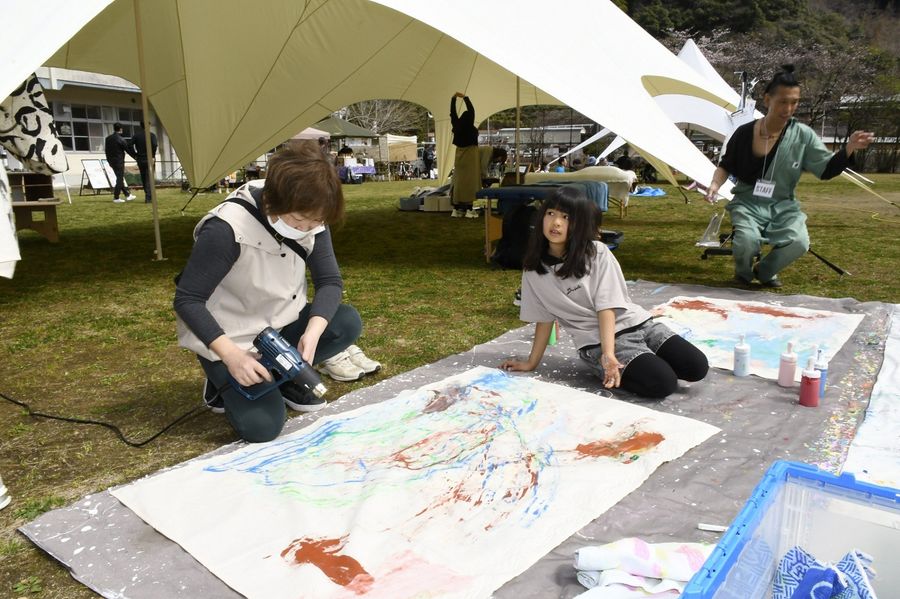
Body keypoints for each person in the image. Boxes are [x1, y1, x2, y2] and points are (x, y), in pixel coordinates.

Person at [174, 140, 373, 443]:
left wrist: (312, 333)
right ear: (272, 202)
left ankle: (282, 375)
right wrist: (231, 356)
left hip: (280, 322)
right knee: (262, 427)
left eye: (317, 222)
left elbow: (330, 281)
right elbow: (188, 300)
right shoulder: (226, 228)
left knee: (344, 323)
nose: (308, 229)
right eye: (298, 221)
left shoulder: (312, 214)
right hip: (231, 336)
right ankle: (220, 382)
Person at [500, 187, 709, 399]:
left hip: (636, 323)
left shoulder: (596, 251)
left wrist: (610, 355)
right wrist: (531, 362)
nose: (556, 223)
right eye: (550, 213)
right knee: (663, 384)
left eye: (566, 217)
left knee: (697, 367)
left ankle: (644, 360)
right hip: (596, 342)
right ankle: (640, 363)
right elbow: (543, 319)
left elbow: (606, 306)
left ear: (578, 224)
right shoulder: (533, 270)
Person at [705, 65, 875, 288]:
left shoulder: (802, 135)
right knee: (746, 242)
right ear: (767, 100)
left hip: (783, 204)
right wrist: (715, 184)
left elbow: (826, 169)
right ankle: (743, 275)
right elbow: (725, 165)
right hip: (747, 202)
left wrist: (850, 147)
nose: (789, 108)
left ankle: (765, 271)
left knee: (799, 242)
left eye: (794, 102)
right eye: (783, 101)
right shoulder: (744, 132)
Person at [449, 92, 481, 218]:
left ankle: (456, 209)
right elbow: (471, 110)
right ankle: (469, 209)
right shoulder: (470, 126)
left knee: (458, 182)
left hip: (459, 155)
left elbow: (453, 113)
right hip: (470, 155)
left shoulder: (456, 125)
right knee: (470, 183)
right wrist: (465, 98)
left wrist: (453, 99)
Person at [104, 123, 136, 203]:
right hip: (119, 161)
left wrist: (109, 161)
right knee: (120, 179)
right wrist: (136, 157)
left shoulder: (108, 139)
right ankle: (116, 197)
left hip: (112, 161)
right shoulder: (121, 139)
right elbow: (128, 150)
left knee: (119, 178)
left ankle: (127, 195)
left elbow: (106, 151)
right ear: (121, 129)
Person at [127, 125, 158, 203]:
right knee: (149, 178)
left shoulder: (136, 136)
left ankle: (148, 196)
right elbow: (154, 145)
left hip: (140, 159)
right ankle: (149, 197)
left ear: (141, 126)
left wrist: (135, 155)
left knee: (144, 178)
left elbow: (129, 145)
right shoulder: (151, 135)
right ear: (149, 125)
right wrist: (153, 155)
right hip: (149, 158)